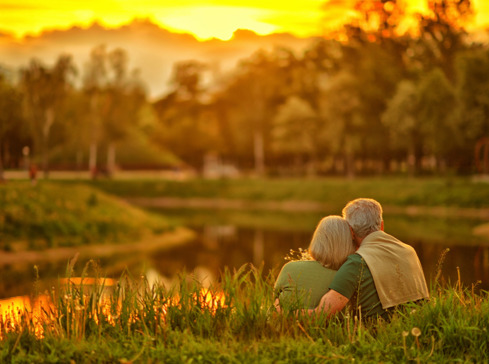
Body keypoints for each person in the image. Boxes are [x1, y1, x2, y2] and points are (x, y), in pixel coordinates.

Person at [313, 198, 429, 319]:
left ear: (351, 232)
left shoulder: (357, 263)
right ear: (382, 225)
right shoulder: (409, 251)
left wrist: (293, 312)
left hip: (375, 333)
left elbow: (322, 314)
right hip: (416, 325)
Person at [274, 215, 356, 310]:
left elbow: (275, 298)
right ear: (348, 243)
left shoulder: (290, 268)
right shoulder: (348, 277)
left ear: (317, 239)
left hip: (282, 323)